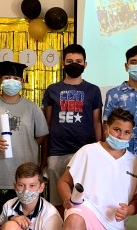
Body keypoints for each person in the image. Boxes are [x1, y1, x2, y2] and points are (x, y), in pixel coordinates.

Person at [0, 61, 49, 214]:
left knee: (24, 221)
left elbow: (42, 136)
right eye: (7, 78)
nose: (11, 82)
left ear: (23, 81)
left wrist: (26, 145)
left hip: (26, 180)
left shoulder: (32, 108)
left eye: (16, 78)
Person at [42, 44, 102, 215]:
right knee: (57, 201)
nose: (74, 64)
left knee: (82, 200)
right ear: (63, 64)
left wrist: (99, 152)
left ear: (85, 64)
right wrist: (44, 157)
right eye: (69, 61)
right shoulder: (52, 90)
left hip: (85, 152)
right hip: (57, 152)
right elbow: (47, 124)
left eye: (78, 61)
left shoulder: (93, 90)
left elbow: (97, 123)